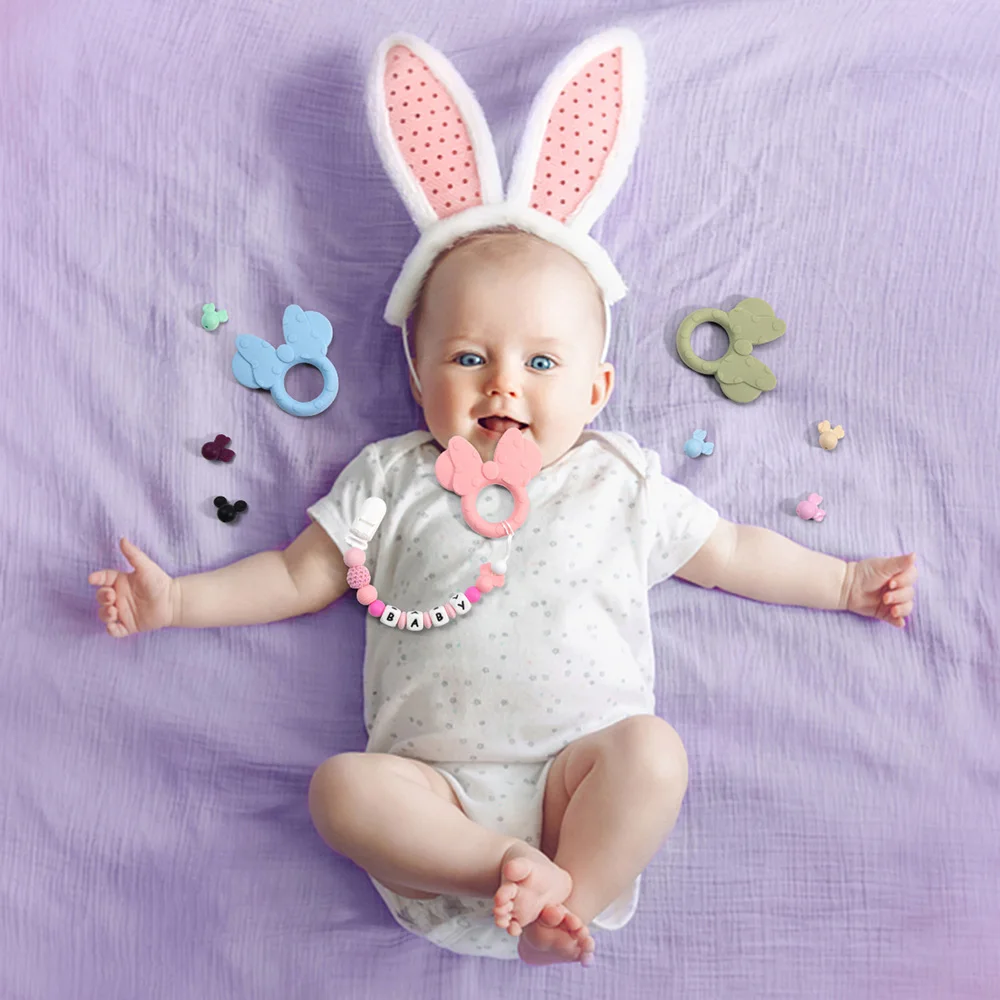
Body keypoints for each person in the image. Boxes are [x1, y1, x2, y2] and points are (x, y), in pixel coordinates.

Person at [88, 30, 917, 968]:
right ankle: (506, 870)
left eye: (542, 363)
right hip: (433, 801)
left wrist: (846, 582)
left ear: (597, 391)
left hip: (578, 786)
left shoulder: (618, 479)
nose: (504, 384)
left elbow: (729, 552)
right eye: (469, 356)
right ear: (418, 379)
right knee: (340, 790)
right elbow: (295, 575)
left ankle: (568, 907)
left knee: (654, 754)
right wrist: (178, 600)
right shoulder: (391, 476)